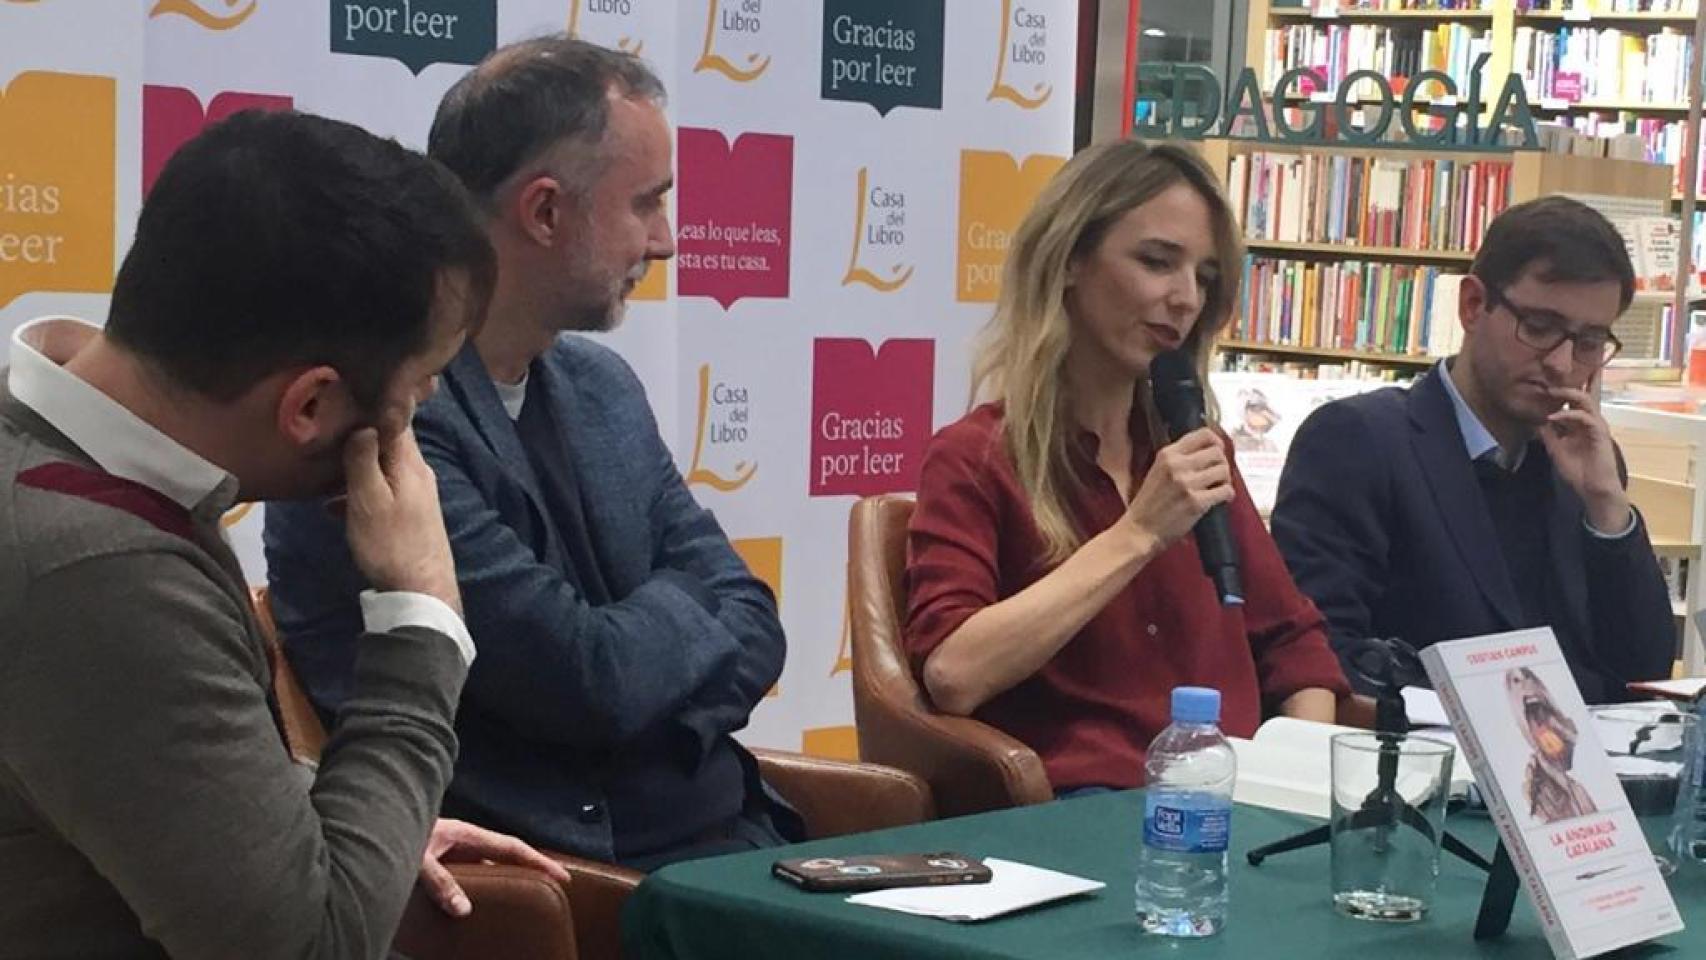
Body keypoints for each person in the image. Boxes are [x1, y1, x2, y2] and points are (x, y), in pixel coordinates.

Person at [0, 110, 567, 959]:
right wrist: (421, 618)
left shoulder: (65, 456)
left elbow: (100, 760)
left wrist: (318, 820)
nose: (431, 409)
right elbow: (314, 947)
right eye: (424, 383)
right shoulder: (100, 572)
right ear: (310, 406)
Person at [264, 36, 791, 871]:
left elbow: (756, 617)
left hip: (739, 838)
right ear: (545, 212)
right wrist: (677, 627)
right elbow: (587, 683)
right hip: (584, 878)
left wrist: (655, 691)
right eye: (647, 204)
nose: (666, 242)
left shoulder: (603, 387)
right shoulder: (391, 420)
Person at [903, 140, 1351, 797]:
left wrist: (1306, 778)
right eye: (1156, 262)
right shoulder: (977, 458)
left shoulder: (1198, 449)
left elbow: (1293, 643)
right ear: (1070, 262)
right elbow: (955, 673)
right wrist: (1139, 533)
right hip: (1081, 812)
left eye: (1203, 277)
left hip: (1236, 799)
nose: (1184, 299)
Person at [1272, 196, 1674, 704]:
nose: (1562, 363)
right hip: (1427, 764)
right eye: (1540, 328)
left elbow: (1643, 671)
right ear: (1472, 306)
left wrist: (1608, 510)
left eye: (1590, 342)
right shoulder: (1359, 442)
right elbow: (1321, 657)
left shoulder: (1587, 466)